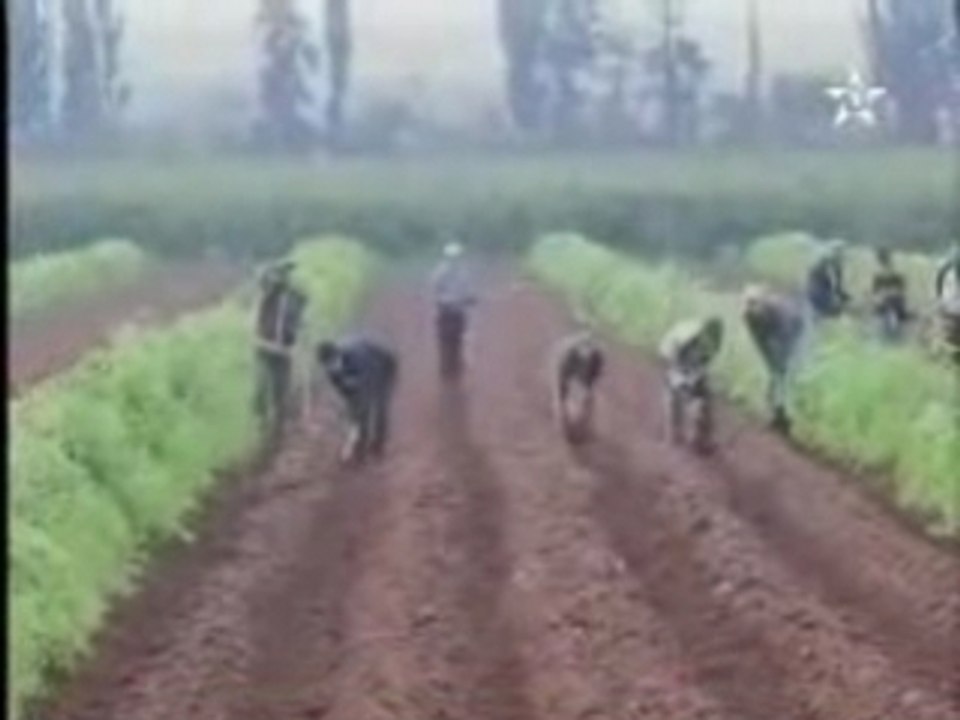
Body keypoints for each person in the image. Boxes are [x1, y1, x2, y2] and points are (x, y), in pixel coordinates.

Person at [317, 337, 398, 464]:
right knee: (357, 412)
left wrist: (356, 416)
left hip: (384, 364)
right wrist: (351, 412)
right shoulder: (331, 371)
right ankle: (360, 449)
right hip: (364, 367)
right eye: (328, 365)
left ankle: (378, 446)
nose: (331, 367)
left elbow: (365, 393)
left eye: (332, 363)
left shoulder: (356, 358)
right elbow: (346, 394)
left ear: (338, 356)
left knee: (379, 405)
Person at [254, 260, 307, 447]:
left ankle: (278, 432)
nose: (282, 278)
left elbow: (301, 316)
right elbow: (261, 279)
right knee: (260, 389)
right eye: (279, 274)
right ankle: (261, 425)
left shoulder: (296, 297)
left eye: (285, 274)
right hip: (265, 347)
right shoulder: (269, 293)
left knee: (280, 391)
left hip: (284, 351)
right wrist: (270, 274)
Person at [741, 285, 806, 435]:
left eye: (755, 304)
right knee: (773, 374)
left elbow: (786, 339)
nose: (752, 309)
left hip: (795, 328)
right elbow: (760, 343)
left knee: (786, 373)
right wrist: (770, 362)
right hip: (777, 332)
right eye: (749, 305)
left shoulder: (780, 311)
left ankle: (785, 414)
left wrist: (781, 361)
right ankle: (774, 412)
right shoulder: (747, 317)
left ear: (764, 304)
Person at [658, 317, 724, 453]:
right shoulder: (687, 336)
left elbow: (705, 361)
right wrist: (682, 378)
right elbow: (672, 357)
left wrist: (697, 377)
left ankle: (701, 437)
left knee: (704, 396)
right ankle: (674, 433)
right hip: (672, 351)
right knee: (674, 391)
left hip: (691, 362)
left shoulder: (714, 342)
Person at [431, 241, 476, 378]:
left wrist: (469, 299)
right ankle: (448, 367)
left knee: (455, 340)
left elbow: (467, 293)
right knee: (448, 340)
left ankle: (452, 367)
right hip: (448, 311)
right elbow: (436, 292)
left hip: (454, 311)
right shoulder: (443, 272)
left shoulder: (459, 273)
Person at [552, 331, 605, 443]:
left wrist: (586, 402)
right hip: (567, 365)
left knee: (587, 394)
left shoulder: (597, 359)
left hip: (589, 367)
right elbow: (562, 381)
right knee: (563, 395)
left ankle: (585, 422)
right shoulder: (567, 357)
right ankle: (565, 421)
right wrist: (563, 407)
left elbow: (593, 380)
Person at [870, 247, 910, 341]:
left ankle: (892, 330)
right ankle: (892, 330)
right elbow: (876, 292)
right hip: (890, 302)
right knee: (889, 314)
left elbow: (876, 292)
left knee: (890, 313)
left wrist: (883, 296)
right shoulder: (880, 276)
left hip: (892, 302)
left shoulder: (882, 275)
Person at [806, 239, 850, 320]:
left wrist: (845, 297)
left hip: (821, 294)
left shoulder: (835, 266)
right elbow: (834, 285)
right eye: (840, 253)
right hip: (819, 296)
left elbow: (838, 288)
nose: (843, 257)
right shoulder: (827, 265)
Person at [935, 243, 960, 364]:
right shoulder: (948, 267)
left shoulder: (946, 266)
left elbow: (938, 284)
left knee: (948, 341)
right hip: (952, 309)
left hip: (948, 307)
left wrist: (940, 300)